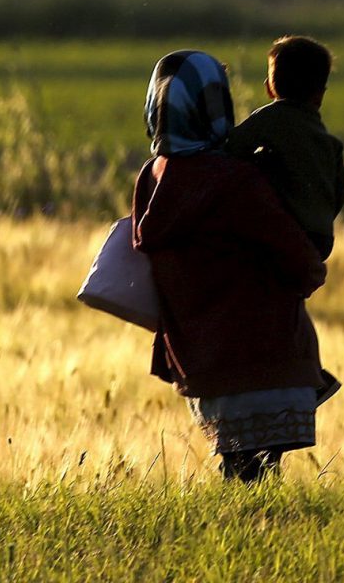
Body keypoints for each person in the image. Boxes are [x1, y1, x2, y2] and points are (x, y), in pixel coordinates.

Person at [131, 49, 330, 483]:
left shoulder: (153, 176)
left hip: (200, 359)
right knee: (258, 476)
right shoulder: (237, 181)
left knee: (239, 470)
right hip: (262, 352)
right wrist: (313, 269)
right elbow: (295, 255)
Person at [224, 35, 344, 260]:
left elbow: (230, 148)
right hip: (321, 239)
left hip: (284, 232)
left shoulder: (271, 118)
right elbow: (338, 195)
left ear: (269, 89)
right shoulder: (330, 143)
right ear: (320, 95)